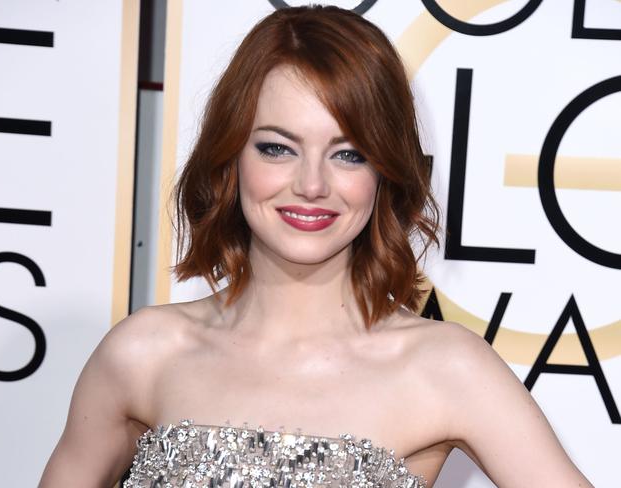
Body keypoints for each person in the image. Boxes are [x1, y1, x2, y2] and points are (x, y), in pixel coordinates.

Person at [40, 5, 593, 488]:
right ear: (231, 156)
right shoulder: (143, 355)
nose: (311, 184)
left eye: (348, 154)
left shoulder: (446, 369)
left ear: (384, 171)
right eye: (278, 148)